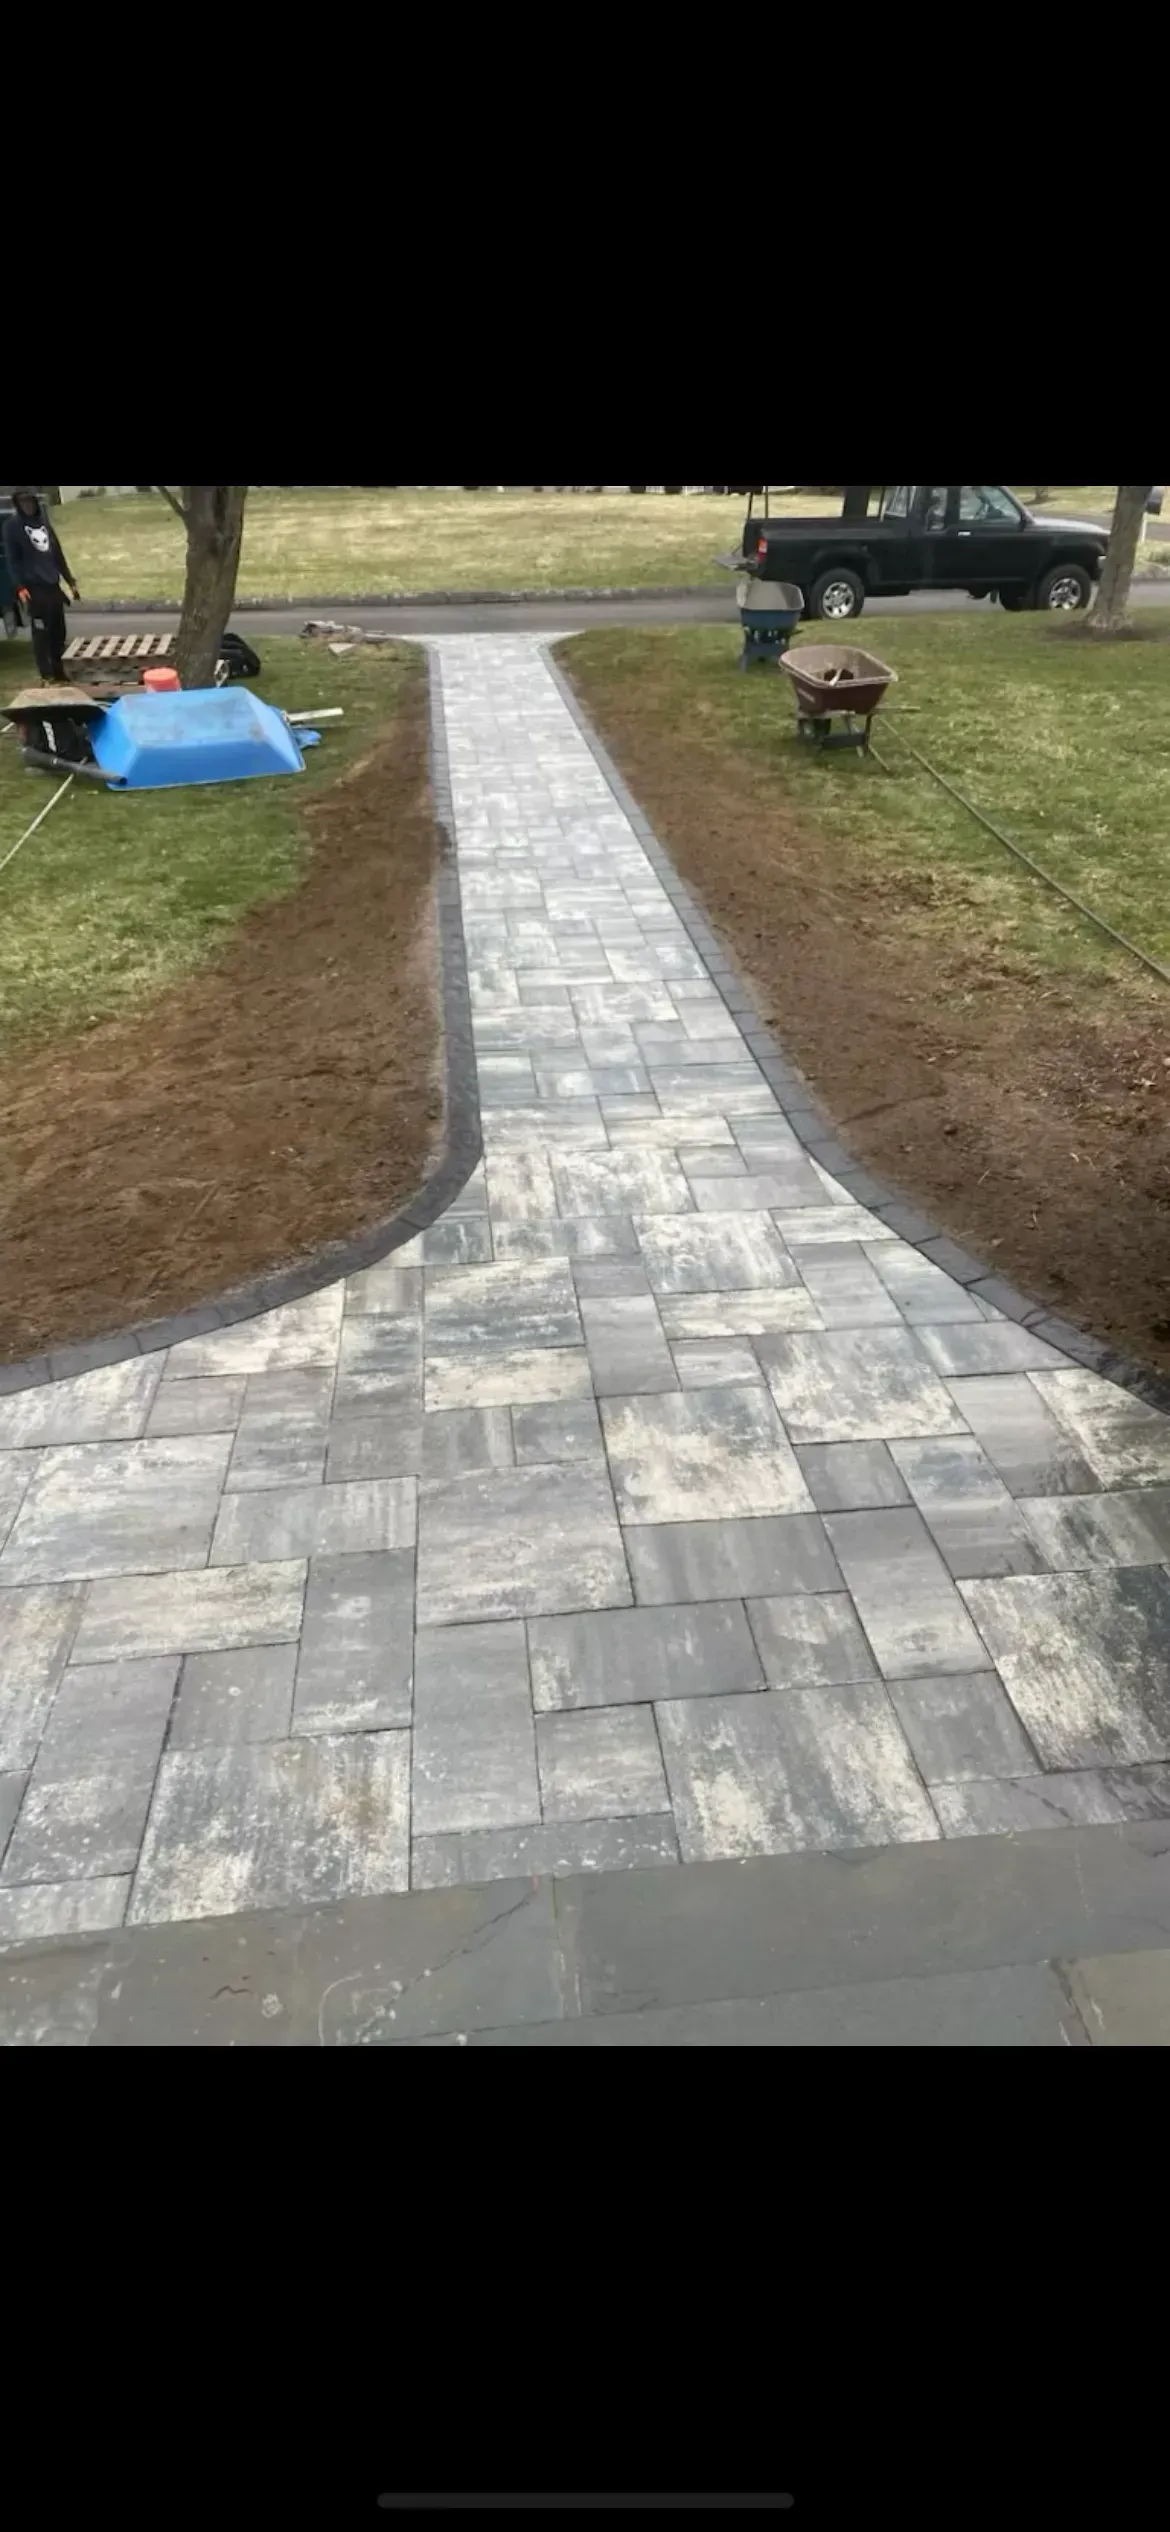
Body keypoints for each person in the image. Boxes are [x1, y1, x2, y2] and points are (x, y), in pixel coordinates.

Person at [1, 486, 81, 681]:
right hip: (33, 588)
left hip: (52, 585)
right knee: (41, 632)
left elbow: (57, 554)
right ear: (17, 505)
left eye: (30, 501)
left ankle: (59, 670)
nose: (27, 506)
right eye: (23, 502)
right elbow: (13, 560)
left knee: (58, 631)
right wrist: (20, 587)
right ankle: (47, 673)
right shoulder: (12, 527)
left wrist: (70, 581)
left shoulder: (43, 522)